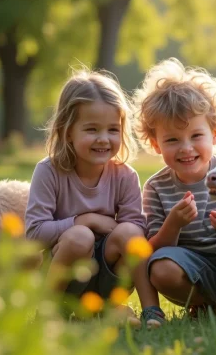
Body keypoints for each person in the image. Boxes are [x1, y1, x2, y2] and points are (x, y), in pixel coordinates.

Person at [25, 68, 165, 324]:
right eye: (91, 129)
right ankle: (48, 313)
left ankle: (149, 310)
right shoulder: (48, 171)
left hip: (107, 274)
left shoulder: (125, 176)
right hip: (66, 275)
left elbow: (135, 232)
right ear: (67, 131)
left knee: (130, 234)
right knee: (80, 236)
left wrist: (115, 230)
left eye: (112, 129)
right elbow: (34, 234)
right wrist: (86, 220)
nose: (103, 139)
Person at [133, 57, 216, 317]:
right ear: (156, 144)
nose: (186, 147)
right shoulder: (156, 187)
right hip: (191, 272)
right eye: (172, 139)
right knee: (160, 269)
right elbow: (155, 247)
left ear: (214, 134)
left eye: (196, 136)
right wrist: (174, 223)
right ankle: (207, 306)